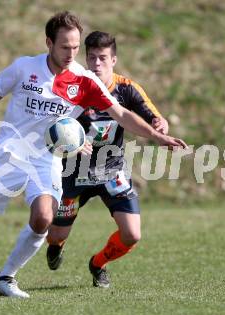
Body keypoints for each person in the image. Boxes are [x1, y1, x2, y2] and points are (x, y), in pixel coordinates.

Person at [0, 12, 186, 299]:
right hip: (11, 155)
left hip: (46, 159)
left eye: (75, 46)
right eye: (64, 47)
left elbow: (121, 114)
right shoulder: (24, 67)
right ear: (48, 43)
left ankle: (6, 277)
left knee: (43, 217)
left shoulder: (84, 81)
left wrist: (158, 137)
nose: (72, 53)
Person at [46, 31, 170, 288]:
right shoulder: (73, 87)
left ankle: (98, 264)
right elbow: (52, 126)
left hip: (111, 170)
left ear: (114, 60)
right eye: (91, 58)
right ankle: (58, 245)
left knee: (132, 234)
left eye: (102, 58)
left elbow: (154, 117)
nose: (96, 64)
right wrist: (71, 144)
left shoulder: (127, 88)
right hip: (73, 173)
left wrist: (160, 124)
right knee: (55, 235)